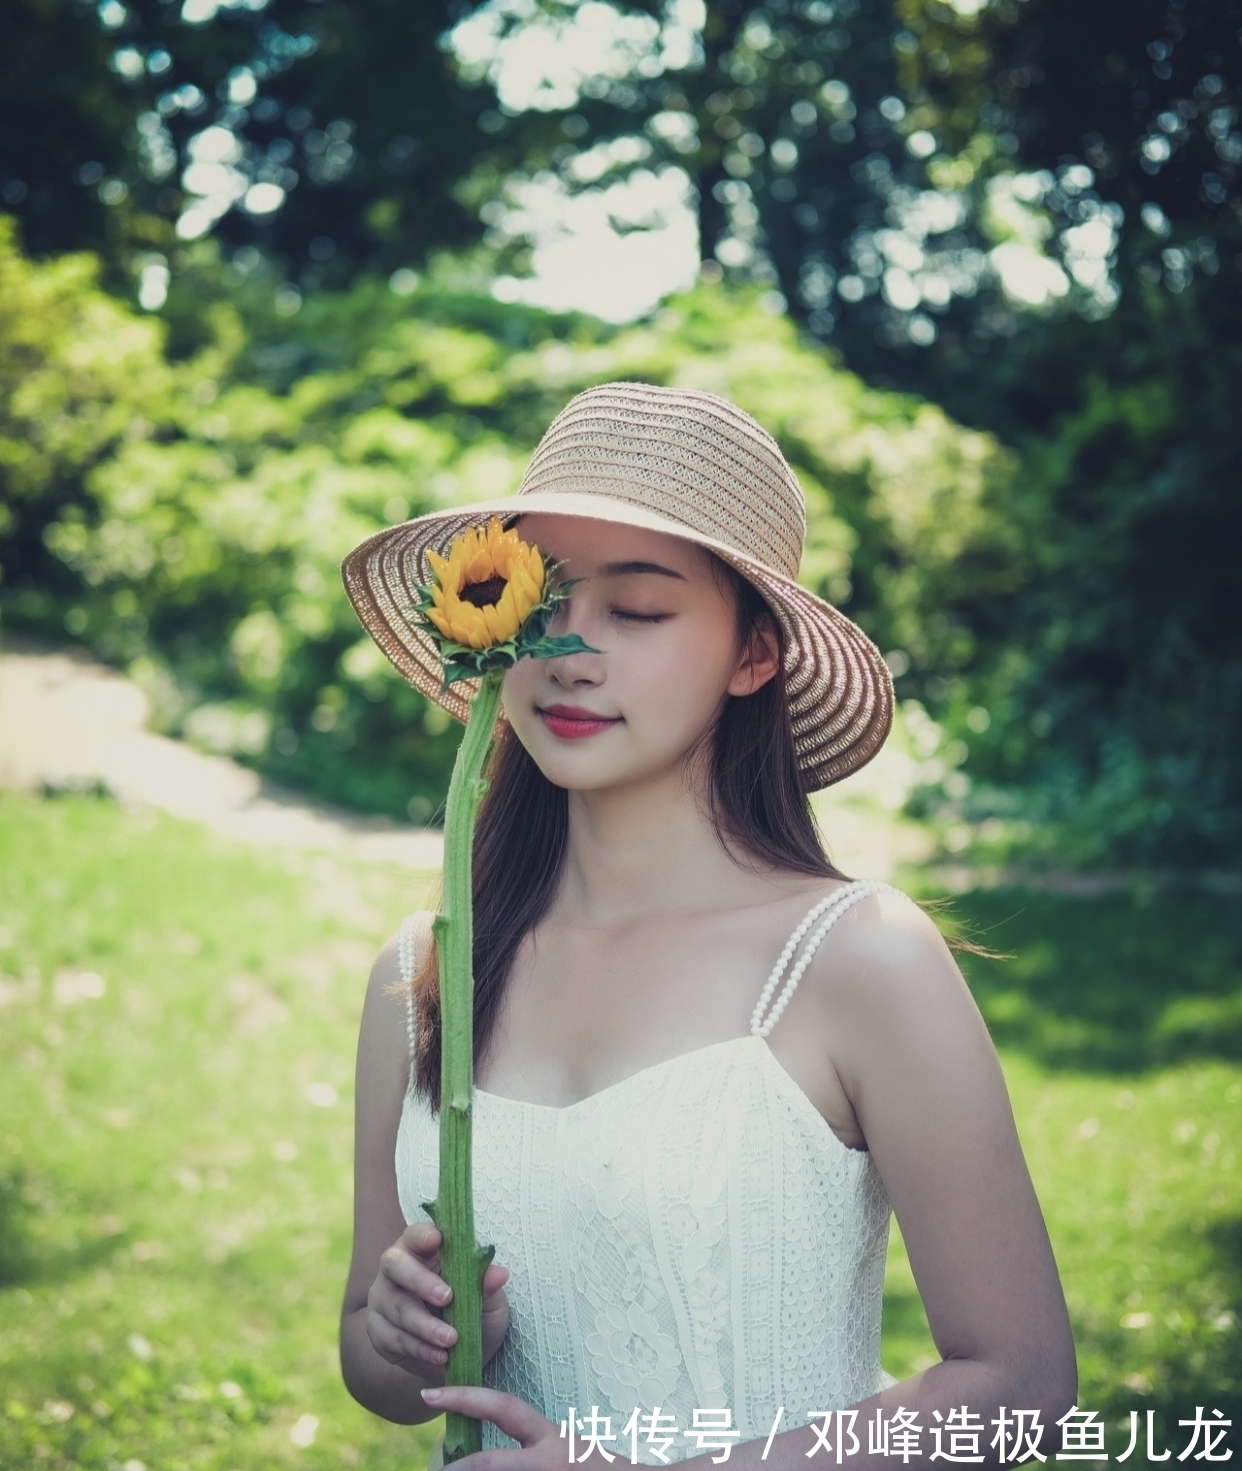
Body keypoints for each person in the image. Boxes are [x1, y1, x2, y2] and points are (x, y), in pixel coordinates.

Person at [337, 383, 1077, 1470]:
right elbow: (373, 1362)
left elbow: (1019, 1384)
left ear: (755, 655)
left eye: (638, 610)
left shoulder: (858, 956)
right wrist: (411, 1337)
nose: (569, 651)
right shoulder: (425, 967)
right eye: (543, 599)